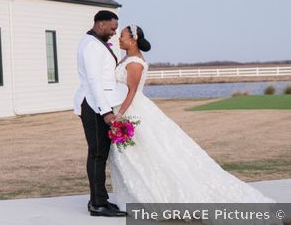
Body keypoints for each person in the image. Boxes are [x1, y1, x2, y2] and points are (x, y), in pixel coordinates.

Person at [109, 25, 276, 209]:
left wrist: (119, 115)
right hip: (128, 107)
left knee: (147, 152)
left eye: (122, 35)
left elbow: (132, 91)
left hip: (132, 110)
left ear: (132, 40)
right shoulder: (127, 58)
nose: (119, 38)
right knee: (136, 154)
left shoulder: (134, 62)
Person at [73, 10, 128, 217]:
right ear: (101, 24)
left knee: (100, 153)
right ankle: (98, 204)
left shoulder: (97, 43)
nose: (114, 32)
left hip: (99, 104)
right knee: (97, 153)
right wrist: (106, 112)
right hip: (93, 105)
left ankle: (99, 200)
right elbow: (95, 81)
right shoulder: (90, 46)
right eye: (113, 28)